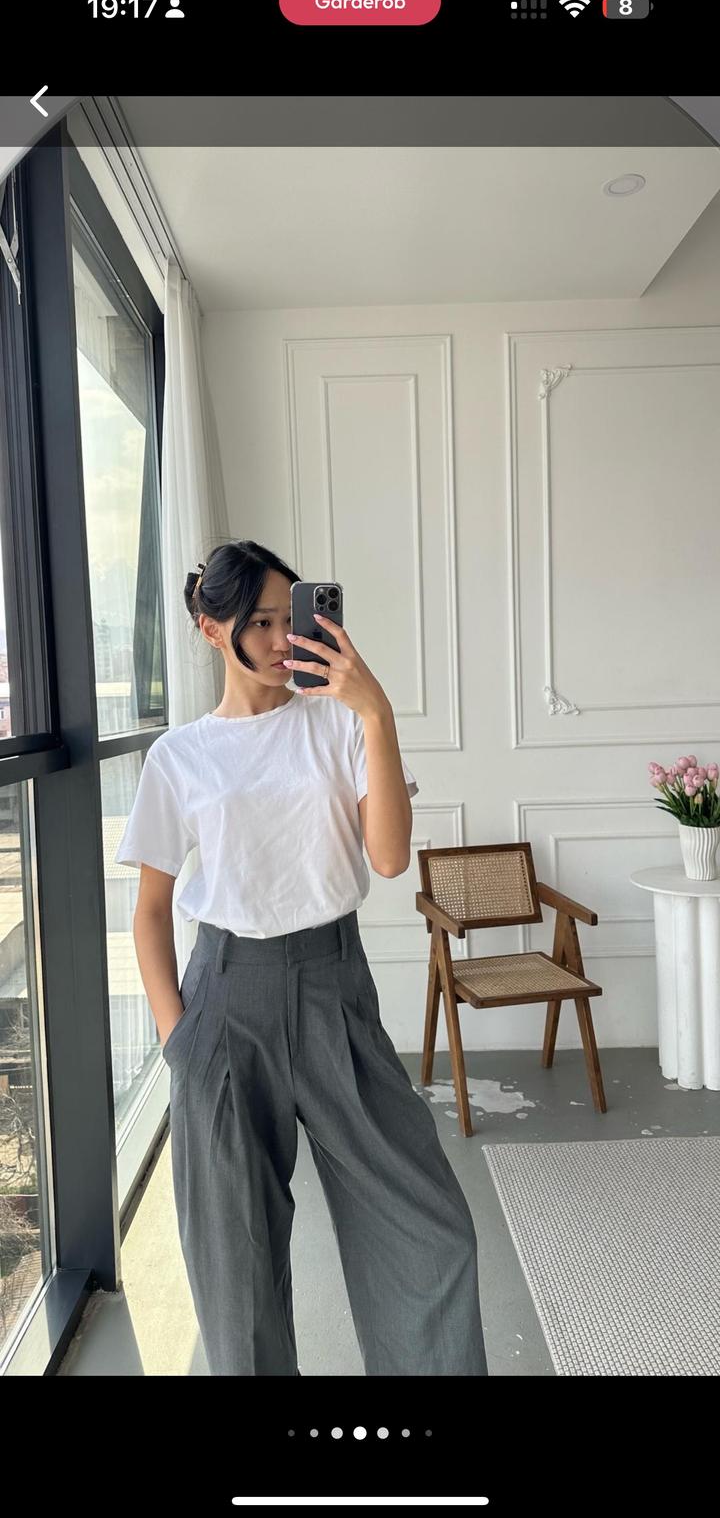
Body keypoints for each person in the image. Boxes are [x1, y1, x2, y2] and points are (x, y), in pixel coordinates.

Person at [115, 539, 488, 1376]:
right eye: (263, 622)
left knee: (430, 1230)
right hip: (222, 1002)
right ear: (212, 630)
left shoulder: (341, 724)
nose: (285, 639)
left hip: (334, 988)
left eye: (295, 618)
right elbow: (150, 912)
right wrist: (179, 1042)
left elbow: (387, 858)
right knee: (235, 1268)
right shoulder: (180, 756)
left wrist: (376, 711)